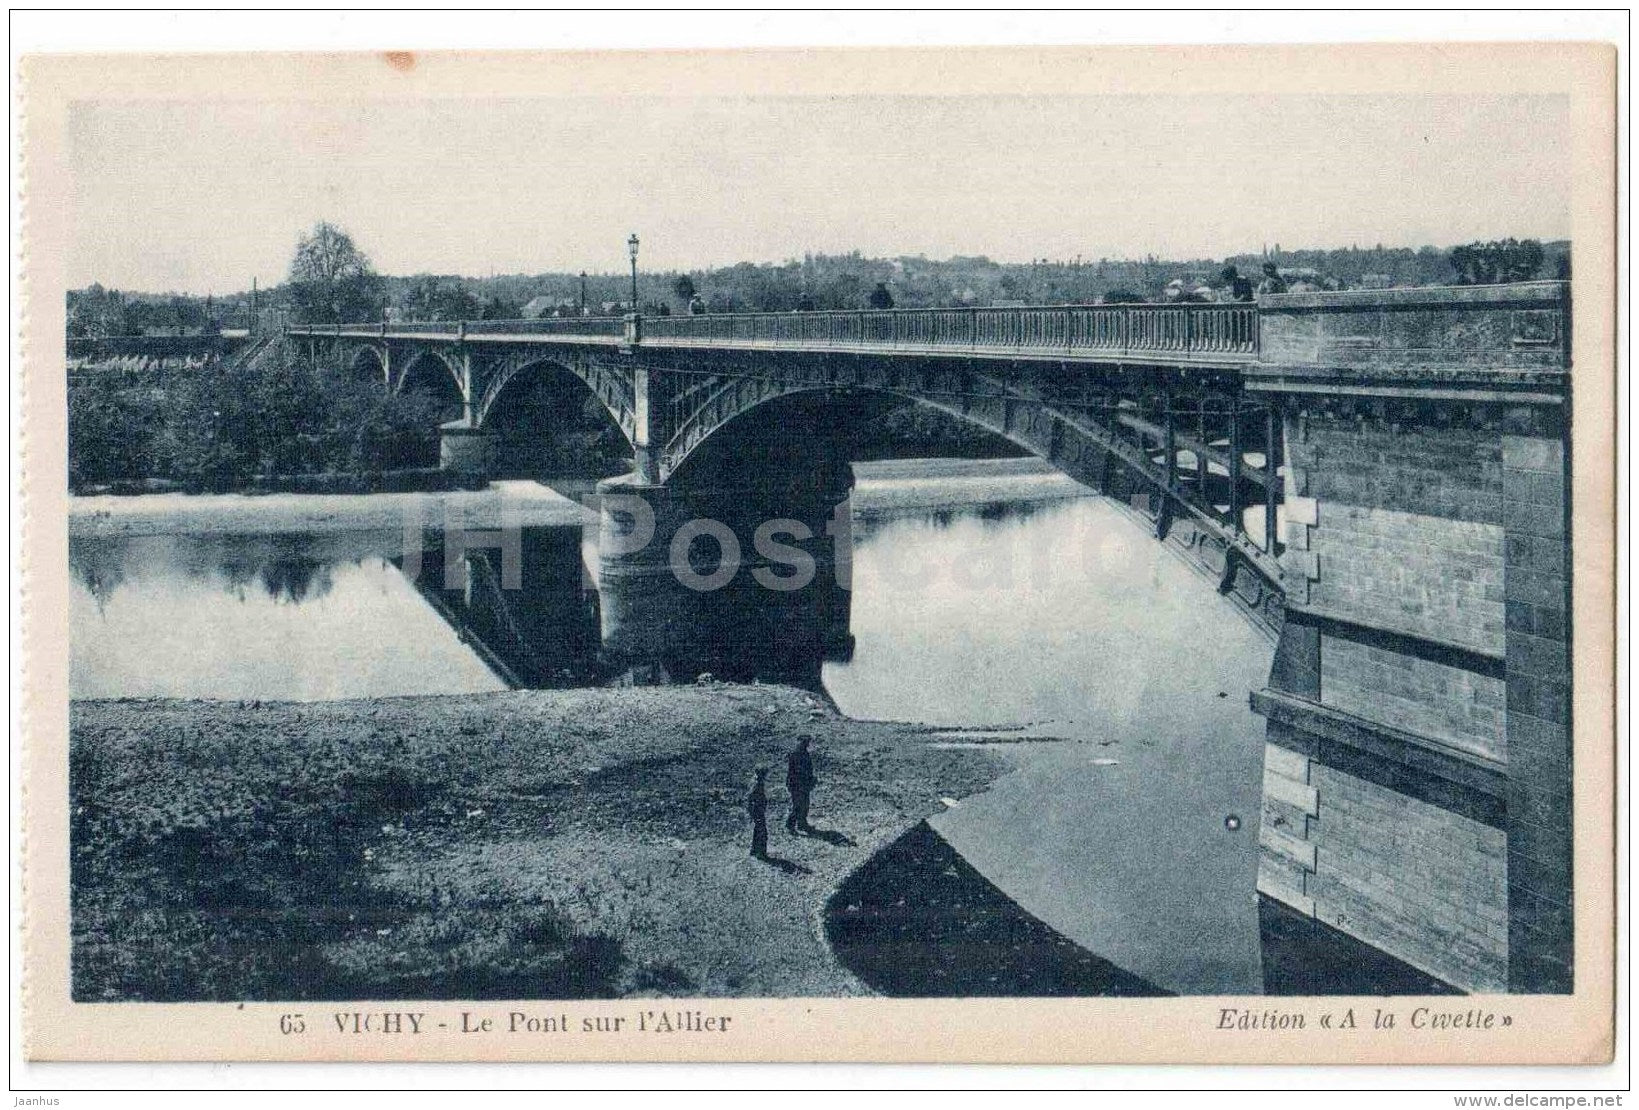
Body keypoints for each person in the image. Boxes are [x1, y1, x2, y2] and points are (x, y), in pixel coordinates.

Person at [785, 736, 816, 834]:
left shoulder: (804, 753)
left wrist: (811, 780)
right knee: (798, 806)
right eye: (806, 742)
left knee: (805, 805)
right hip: (797, 785)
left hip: (804, 784)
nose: (807, 744)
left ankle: (802, 824)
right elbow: (794, 772)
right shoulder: (796, 754)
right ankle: (790, 825)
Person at [747, 768, 770, 859]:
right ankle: (761, 853)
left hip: (756, 810)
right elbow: (754, 798)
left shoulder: (755, 782)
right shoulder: (758, 784)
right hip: (758, 811)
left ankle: (754, 850)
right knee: (762, 832)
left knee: (757, 830)